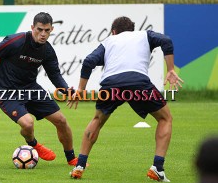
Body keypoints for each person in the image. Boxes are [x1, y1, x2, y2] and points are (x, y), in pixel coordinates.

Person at [67, 16, 184, 181]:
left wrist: (80, 89)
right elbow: (166, 40)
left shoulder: (109, 41)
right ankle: (157, 167)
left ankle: (80, 165)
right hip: (138, 83)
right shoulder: (144, 35)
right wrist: (170, 69)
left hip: (110, 85)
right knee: (165, 118)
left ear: (113, 31)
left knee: (97, 120)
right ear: (132, 30)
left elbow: (88, 61)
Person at [0, 12, 79, 166]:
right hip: (6, 91)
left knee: (61, 120)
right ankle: (34, 144)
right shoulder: (15, 41)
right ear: (32, 27)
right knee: (28, 123)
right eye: (39, 29)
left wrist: (67, 91)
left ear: (52, 30)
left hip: (30, 88)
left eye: (47, 30)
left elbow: (55, 75)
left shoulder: (47, 50)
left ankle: (72, 159)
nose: (43, 34)